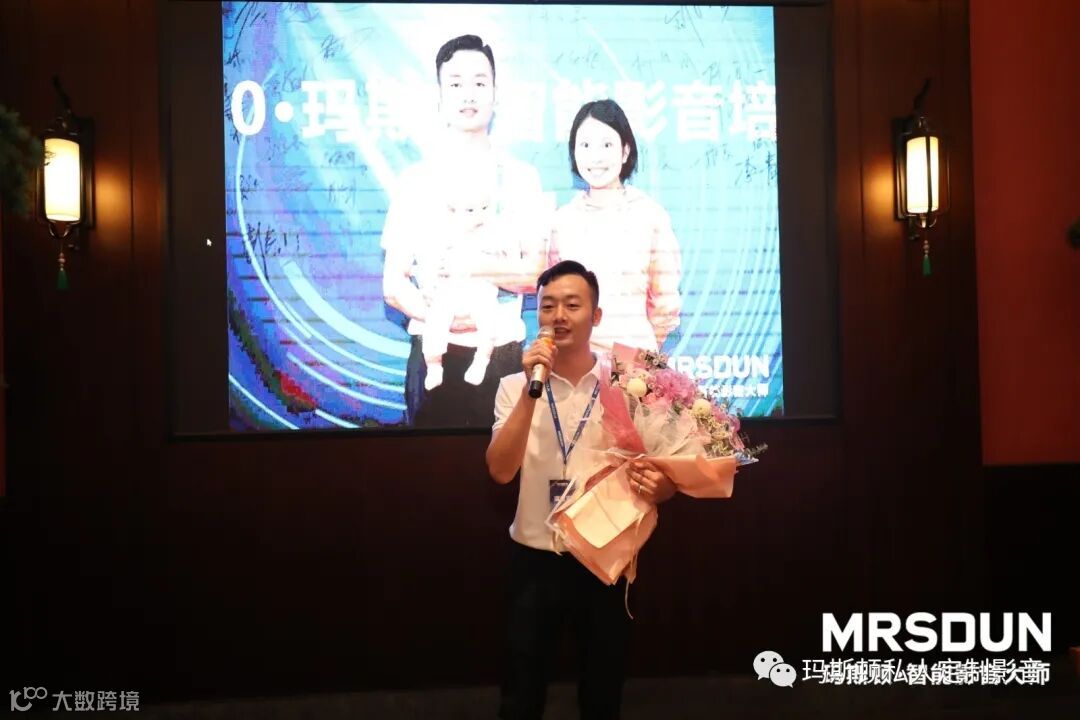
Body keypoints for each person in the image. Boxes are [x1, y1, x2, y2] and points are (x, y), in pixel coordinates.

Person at [486, 260, 678, 720]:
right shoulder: (514, 387)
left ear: (596, 316)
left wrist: (664, 486)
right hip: (534, 557)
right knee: (521, 692)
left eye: (572, 305)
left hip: (603, 557)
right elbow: (500, 470)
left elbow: (665, 467)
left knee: (602, 690)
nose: (558, 316)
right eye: (547, 306)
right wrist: (532, 389)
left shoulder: (627, 385)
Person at [381, 34, 548, 426]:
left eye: (479, 82)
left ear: (495, 94)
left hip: (503, 354)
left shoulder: (522, 178)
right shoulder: (415, 180)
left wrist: (471, 267)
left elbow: (534, 273)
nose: (468, 94)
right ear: (440, 98)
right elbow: (393, 284)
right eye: (455, 83)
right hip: (433, 354)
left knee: (505, 464)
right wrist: (443, 318)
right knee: (429, 464)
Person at [548, 99, 682, 354]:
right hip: (575, 360)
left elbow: (665, 303)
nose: (595, 156)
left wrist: (639, 358)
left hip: (635, 359)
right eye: (585, 145)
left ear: (625, 151)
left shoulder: (650, 216)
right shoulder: (562, 221)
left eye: (607, 145)